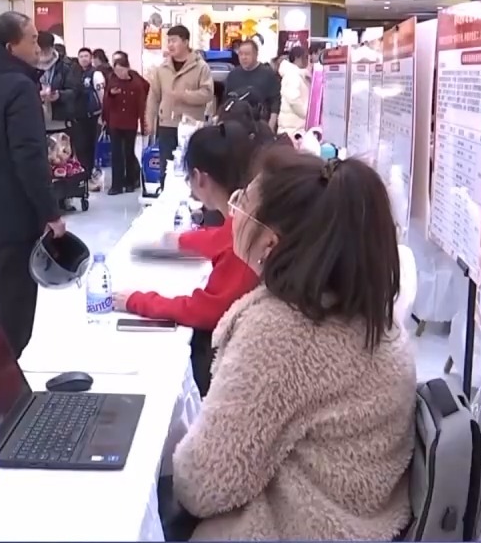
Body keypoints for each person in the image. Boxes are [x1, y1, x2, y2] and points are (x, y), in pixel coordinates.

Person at [170, 150, 415, 541]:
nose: (233, 213)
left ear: (270, 241)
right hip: (362, 525)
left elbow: (203, 484)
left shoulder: (282, 332)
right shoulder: (369, 316)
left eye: (241, 204)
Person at [113, 119, 270, 395]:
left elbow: (205, 310)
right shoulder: (248, 218)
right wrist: (183, 241)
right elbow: (222, 238)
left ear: (199, 178)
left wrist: (137, 301)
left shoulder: (246, 238)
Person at [0, 12, 66, 357]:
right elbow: (29, 156)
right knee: (14, 314)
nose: (38, 47)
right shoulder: (19, 87)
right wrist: (50, 213)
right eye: (32, 39)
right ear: (10, 47)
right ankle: (4, 380)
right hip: (16, 216)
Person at [146, 24, 214, 184]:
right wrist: (149, 119)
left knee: (190, 168)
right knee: (166, 168)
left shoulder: (200, 67)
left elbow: (207, 93)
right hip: (166, 125)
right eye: (168, 41)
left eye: (174, 41)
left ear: (186, 42)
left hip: (191, 126)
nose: (170, 45)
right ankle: (165, 194)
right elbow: (153, 96)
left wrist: (184, 96)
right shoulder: (162, 68)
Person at [101, 53, 148, 195]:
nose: (119, 74)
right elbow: (106, 102)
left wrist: (143, 123)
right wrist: (111, 95)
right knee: (116, 154)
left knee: (129, 152)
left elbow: (142, 104)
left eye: (122, 70)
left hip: (130, 122)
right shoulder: (112, 80)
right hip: (115, 122)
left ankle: (130, 181)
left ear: (127, 68)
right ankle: (116, 184)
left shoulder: (136, 83)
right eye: (117, 71)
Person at [222, 40, 280, 129]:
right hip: (236, 126)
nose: (243, 57)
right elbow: (225, 101)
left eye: (247, 54)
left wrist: (270, 126)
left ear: (256, 54)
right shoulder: (233, 75)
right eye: (240, 54)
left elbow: (275, 102)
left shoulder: (267, 74)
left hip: (260, 124)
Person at [37, 31, 82, 134]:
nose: (42, 54)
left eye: (45, 50)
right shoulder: (30, 65)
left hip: (61, 121)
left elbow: (76, 91)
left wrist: (59, 95)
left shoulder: (68, 65)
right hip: (37, 121)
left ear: (52, 47)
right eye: (40, 50)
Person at [73, 47, 104, 182]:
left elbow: (101, 95)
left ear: (91, 58)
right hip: (78, 117)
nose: (84, 59)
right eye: (81, 56)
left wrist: (103, 114)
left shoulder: (96, 74)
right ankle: (82, 173)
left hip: (93, 116)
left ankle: (90, 172)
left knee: (91, 146)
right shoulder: (75, 74)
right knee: (80, 146)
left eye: (86, 56)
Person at [277, 45, 311, 134]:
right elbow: (293, 99)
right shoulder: (292, 75)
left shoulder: (298, 75)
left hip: (294, 127)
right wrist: (307, 114)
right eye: (305, 57)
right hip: (293, 129)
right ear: (297, 58)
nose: (307, 60)